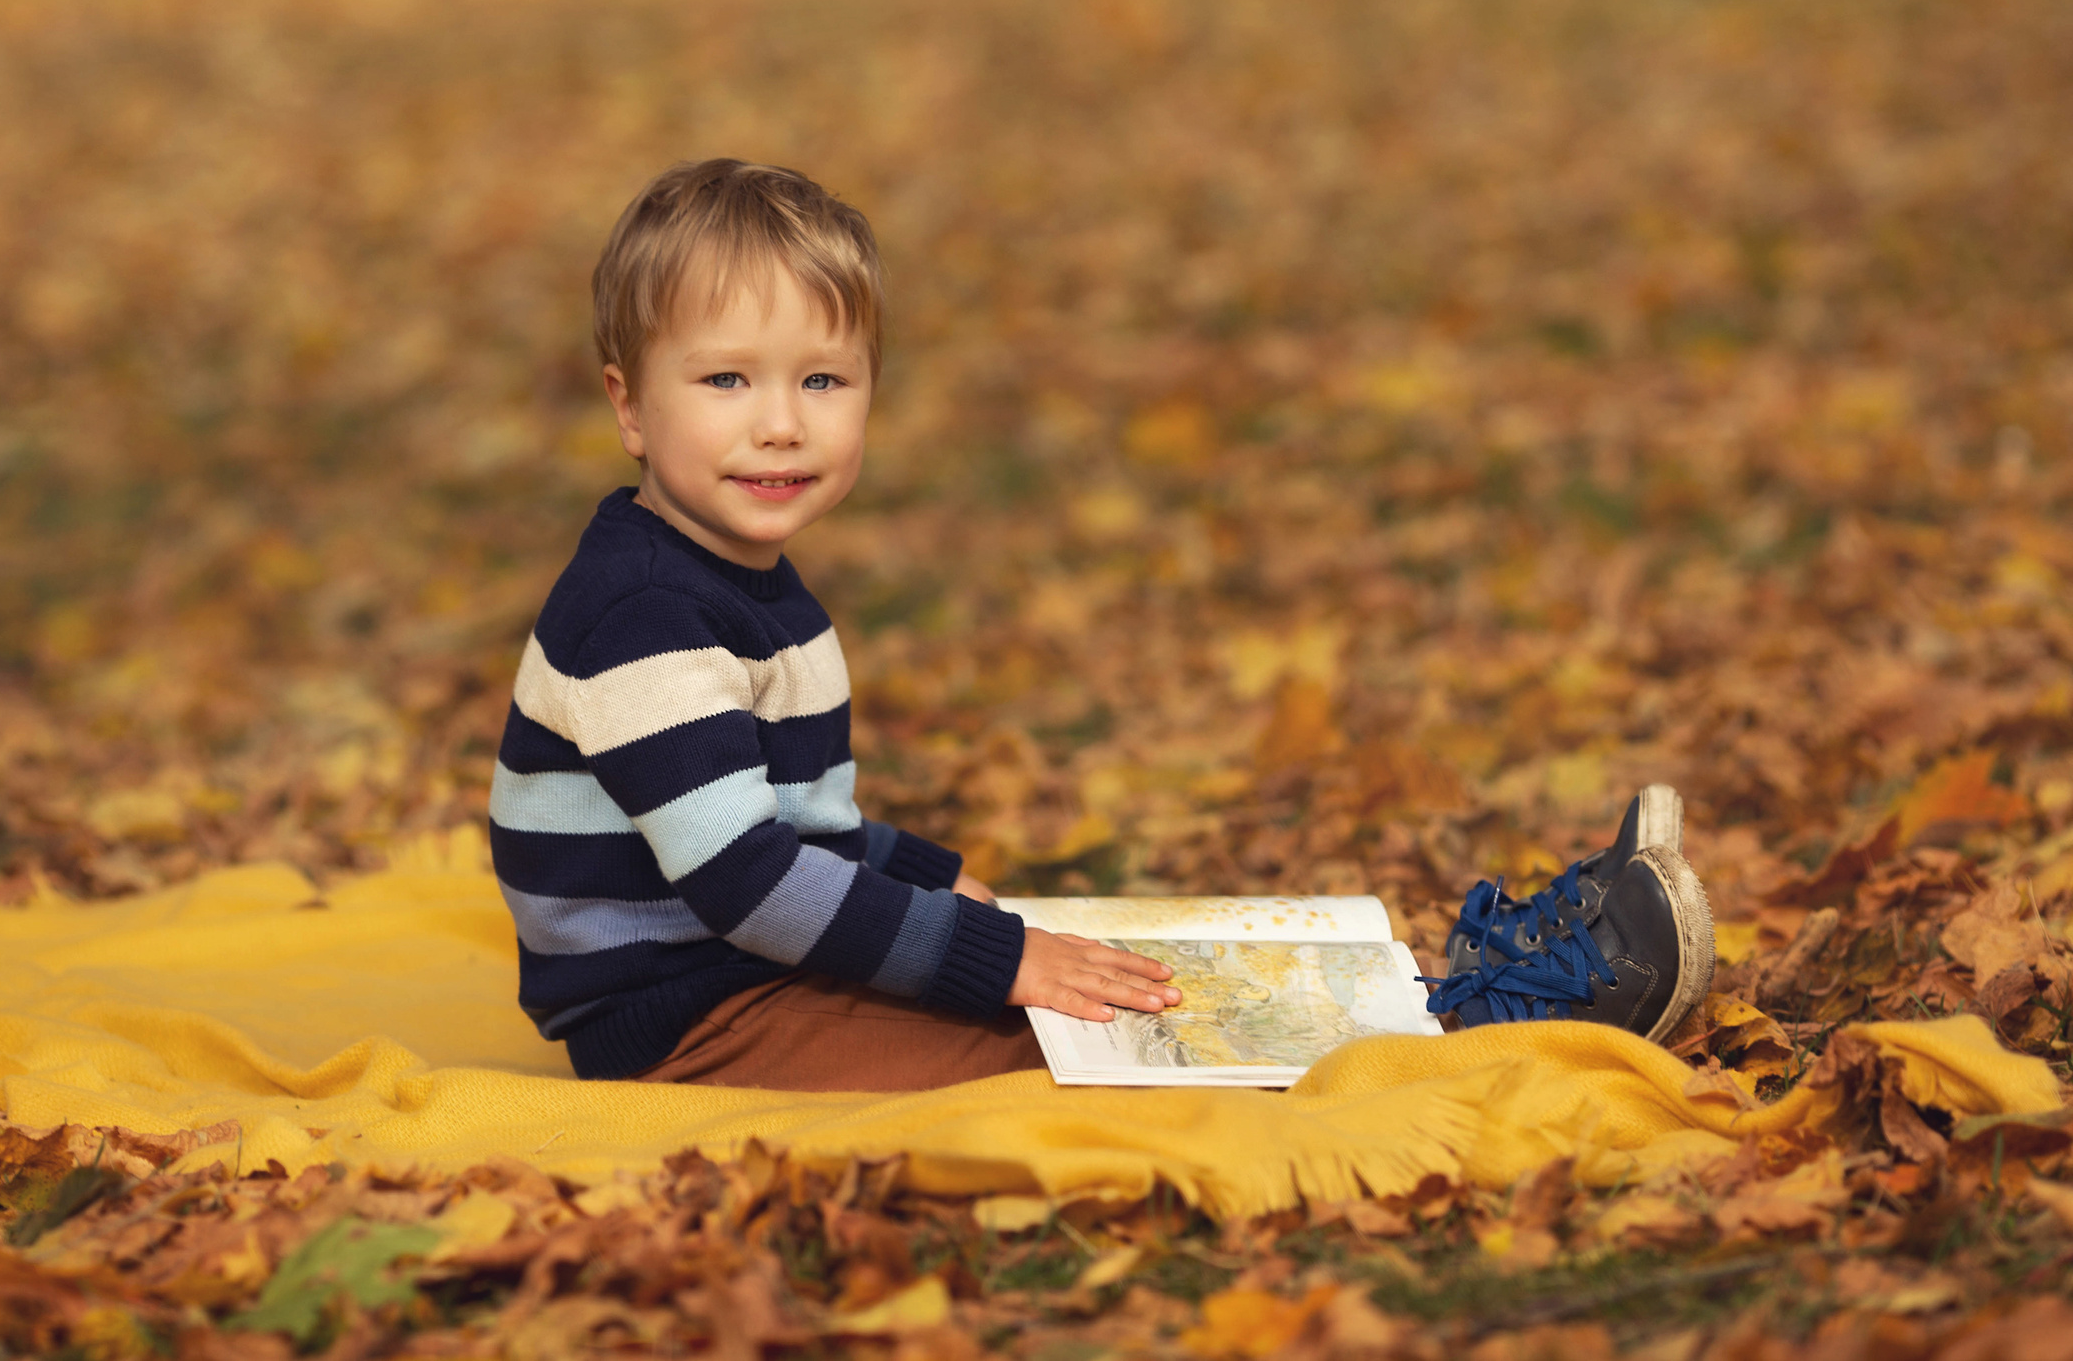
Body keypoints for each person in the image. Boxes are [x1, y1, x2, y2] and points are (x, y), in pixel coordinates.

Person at [490, 158, 1711, 1091]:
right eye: (725, 381)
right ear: (629, 407)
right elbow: (747, 878)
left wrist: (933, 881)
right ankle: (1490, 1029)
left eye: (822, 380)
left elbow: (802, 823)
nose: (780, 424)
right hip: (693, 1019)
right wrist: (996, 956)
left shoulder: (746, 579)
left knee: (1085, 983)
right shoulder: (643, 612)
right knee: (1068, 1044)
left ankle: (1427, 996)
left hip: (747, 965)